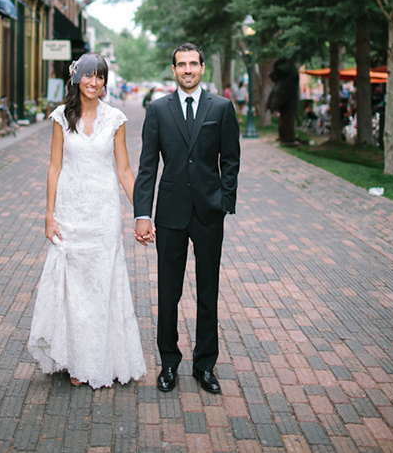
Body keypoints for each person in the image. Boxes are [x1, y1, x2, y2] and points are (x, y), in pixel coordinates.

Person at [28, 53, 146, 389]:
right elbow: (55, 167)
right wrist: (49, 216)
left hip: (104, 215)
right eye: (87, 75)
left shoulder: (116, 120)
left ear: (105, 82)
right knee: (74, 291)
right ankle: (74, 358)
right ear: (76, 78)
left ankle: (96, 360)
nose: (93, 82)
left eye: (100, 77)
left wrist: (143, 212)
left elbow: (124, 171)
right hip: (70, 213)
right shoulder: (61, 119)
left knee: (100, 286)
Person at [133, 43, 240, 395]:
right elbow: (148, 166)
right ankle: (168, 363)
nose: (188, 69)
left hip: (209, 213)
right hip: (171, 213)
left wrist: (224, 201)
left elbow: (231, 159)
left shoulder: (221, 108)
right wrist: (142, 214)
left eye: (193, 64)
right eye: (182, 64)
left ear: (203, 68)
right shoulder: (158, 109)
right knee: (169, 291)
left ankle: (205, 364)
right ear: (174, 70)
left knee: (209, 291)